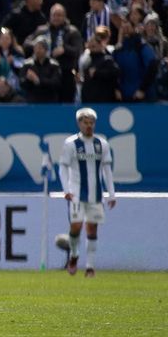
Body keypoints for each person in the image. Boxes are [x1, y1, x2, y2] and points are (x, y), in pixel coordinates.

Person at [56, 107, 117, 277]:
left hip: (95, 194)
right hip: (76, 193)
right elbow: (63, 167)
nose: (89, 126)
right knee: (76, 227)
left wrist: (111, 193)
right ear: (79, 124)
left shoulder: (102, 144)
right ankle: (74, 255)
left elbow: (107, 170)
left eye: (91, 123)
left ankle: (90, 267)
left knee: (92, 229)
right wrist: (66, 190)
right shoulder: (71, 144)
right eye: (85, 123)